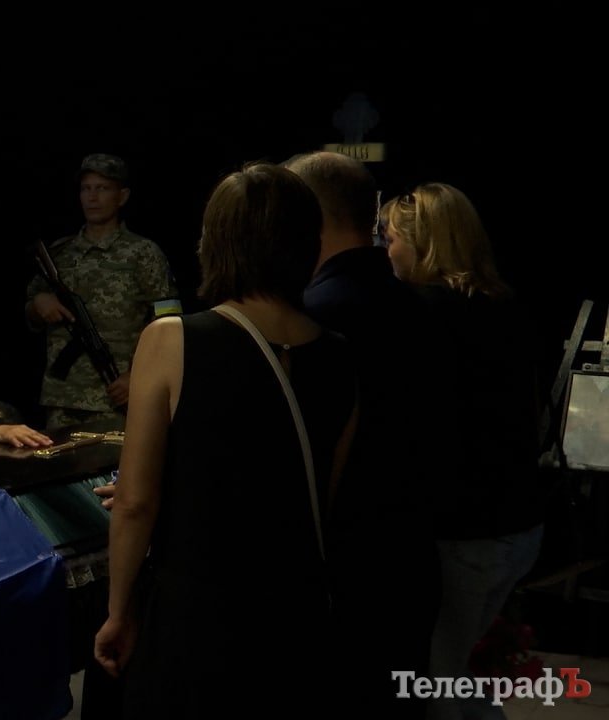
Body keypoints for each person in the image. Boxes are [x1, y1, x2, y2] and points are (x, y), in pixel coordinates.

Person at [94, 163, 358, 715]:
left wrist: (119, 611)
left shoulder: (172, 339)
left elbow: (136, 501)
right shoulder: (342, 356)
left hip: (197, 612)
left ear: (217, 242)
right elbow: (326, 498)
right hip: (298, 613)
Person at [379, 183, 544, 720]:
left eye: (392, 239)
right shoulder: (502, 304)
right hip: (517, 524)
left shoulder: (424, 313)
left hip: (466, 529)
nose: (387, 253)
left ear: (422, 242)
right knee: (456, 677)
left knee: (437, 684)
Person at [286, 151, 442, 717]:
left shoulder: (312, 319)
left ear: (306, 217)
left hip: (341, 570)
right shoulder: (422, 306)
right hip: (413, 558)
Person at [25, 153, 179, 431]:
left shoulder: (143, 253)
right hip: (63, 399)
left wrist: (138, 376)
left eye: (102, 188)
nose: (92, 197)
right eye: (86, 188)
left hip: (118, 396)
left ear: (122, 196)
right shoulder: (60, 253)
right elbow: (30, 311)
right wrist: (39, 303)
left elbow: (169, 323)